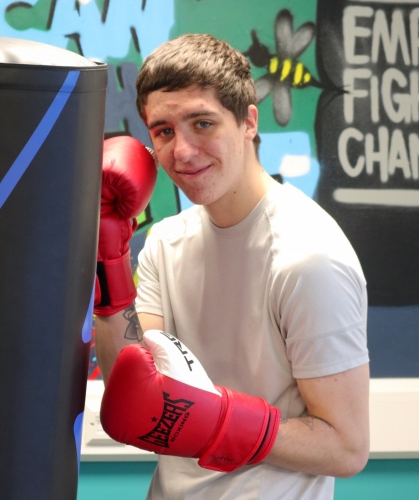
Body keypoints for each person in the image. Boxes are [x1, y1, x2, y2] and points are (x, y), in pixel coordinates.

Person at [94, 34, 370, 499]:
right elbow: (131, 389)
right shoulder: (164, 241)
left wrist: (222, 422)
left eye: (202, 123)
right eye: (164, 131)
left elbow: (345, 448)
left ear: (248, 122)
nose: (182, 151)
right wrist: (108, 263)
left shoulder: (309, 257)